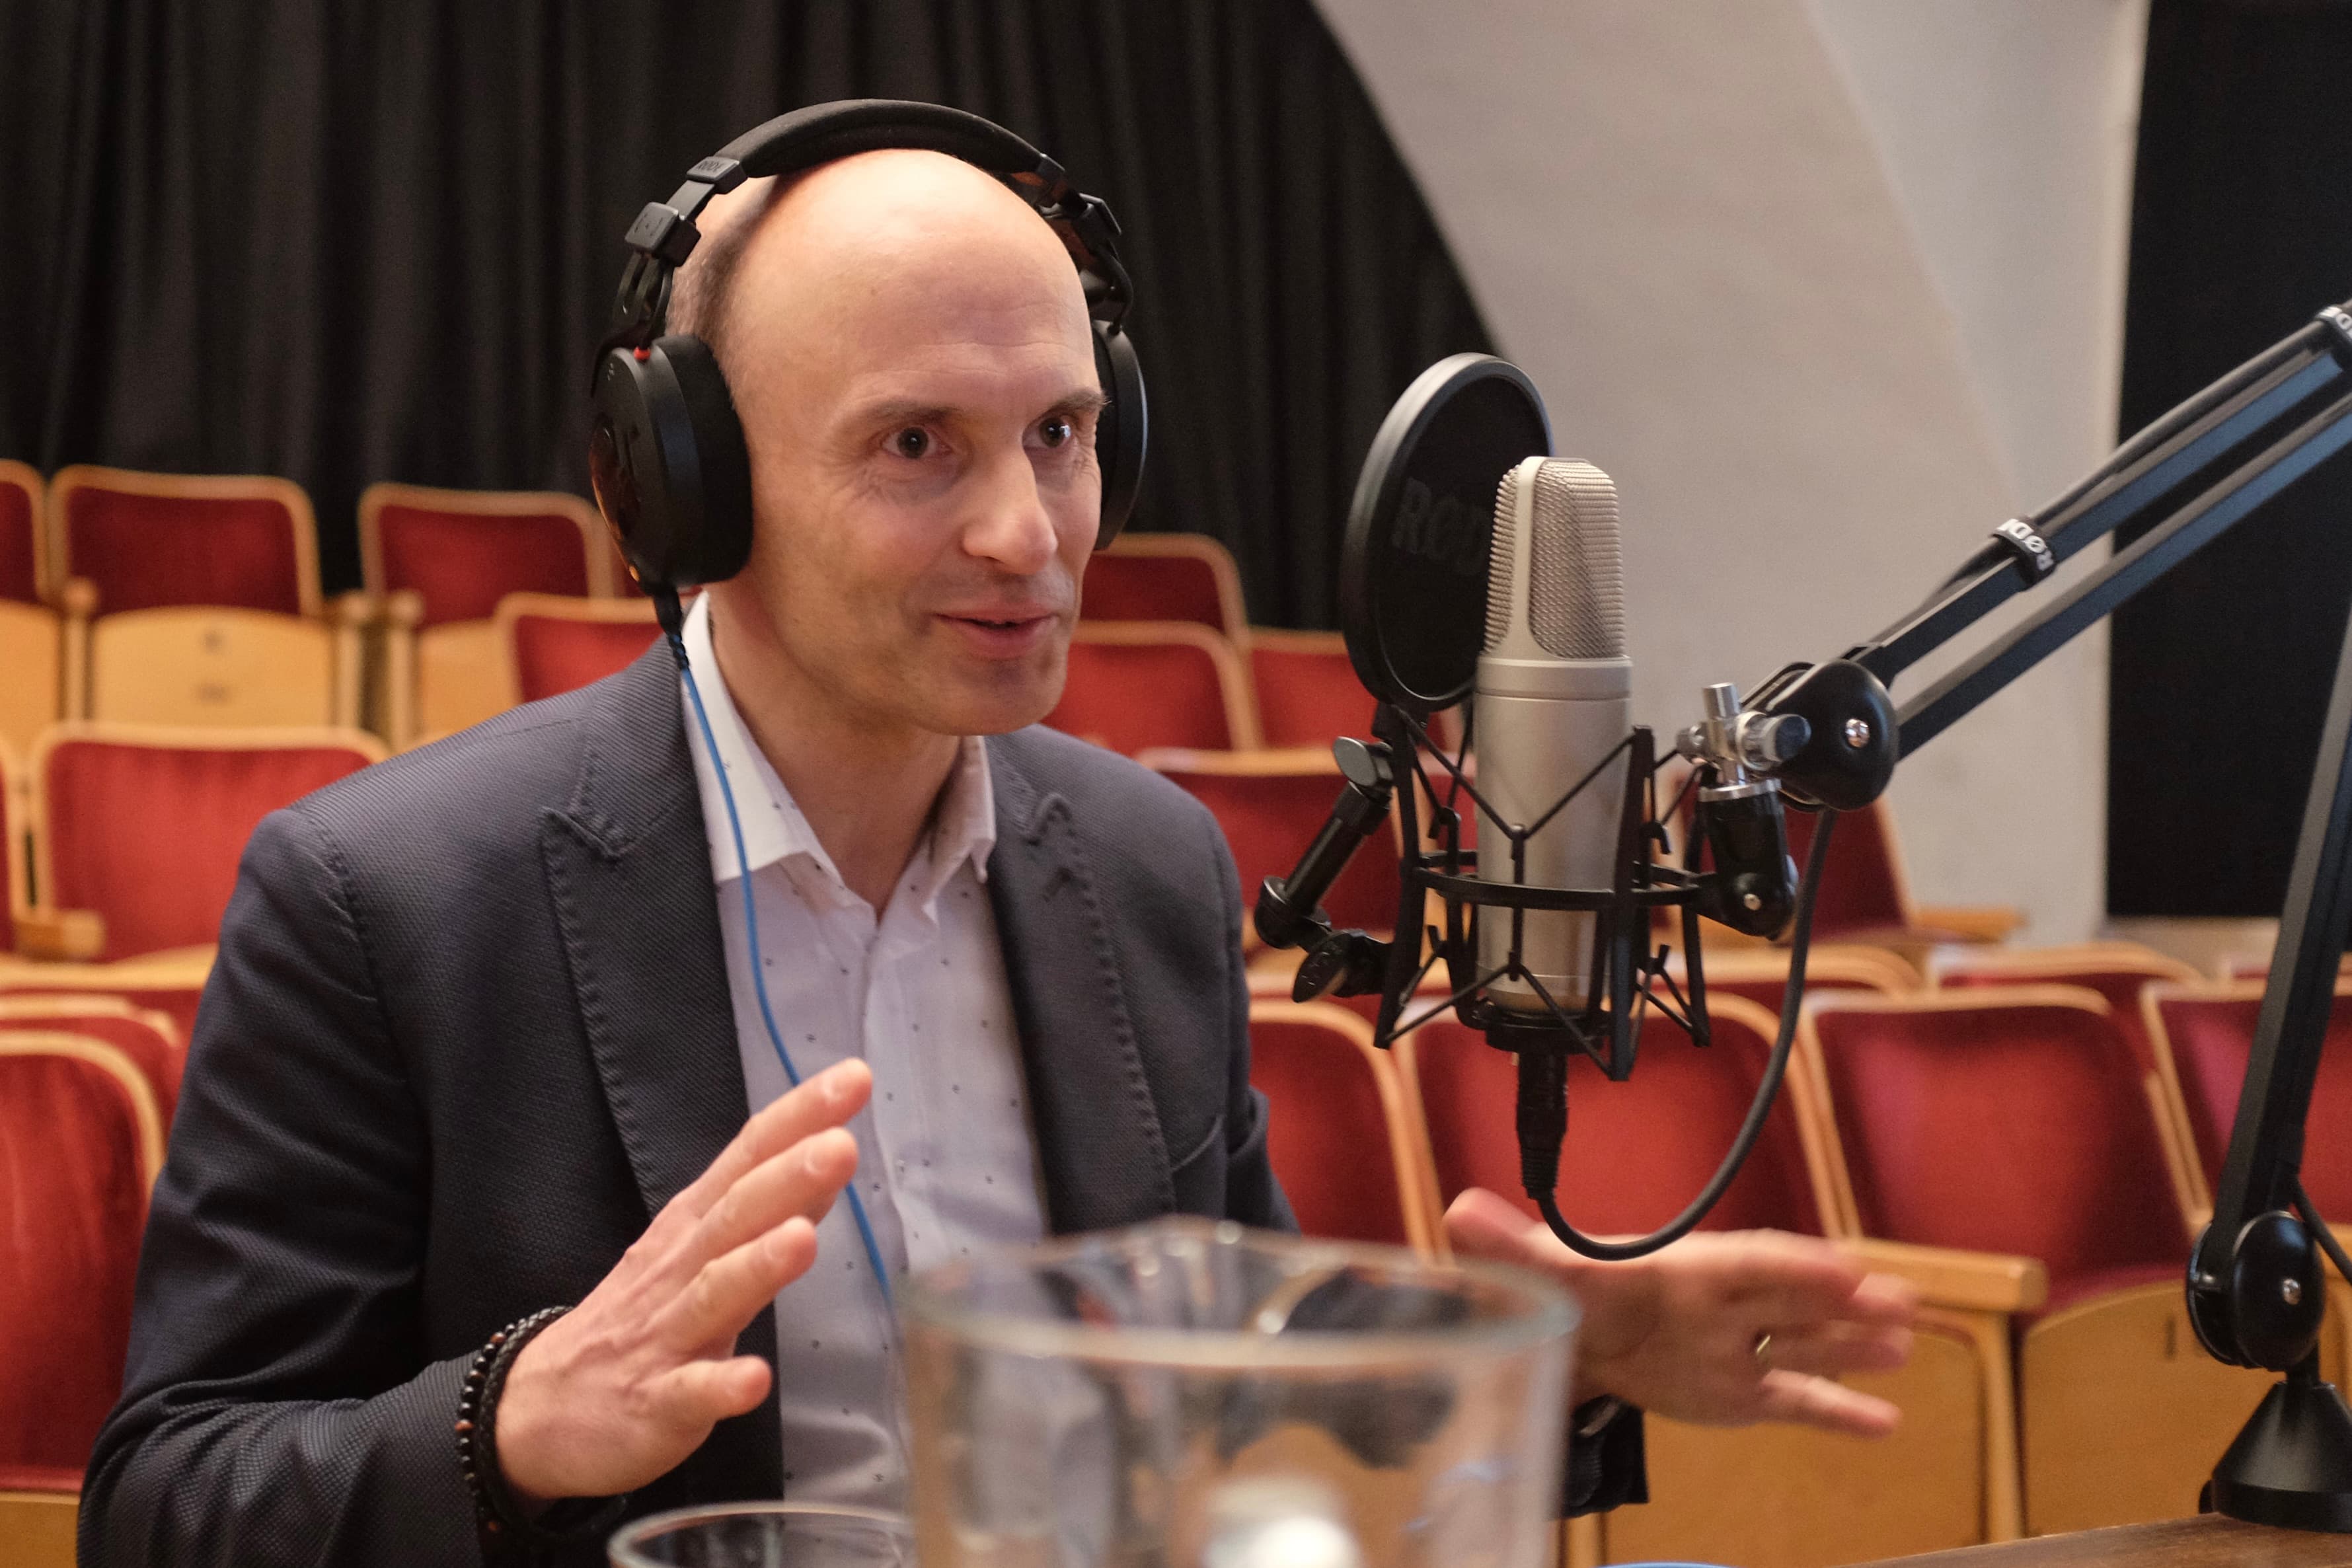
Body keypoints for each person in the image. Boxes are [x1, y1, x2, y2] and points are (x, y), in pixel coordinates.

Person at [83, 116, 1914, 1568]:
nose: (1028, 534)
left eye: (1059, 431)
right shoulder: (385, 900)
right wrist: (513, 1427)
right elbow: (167, 1502)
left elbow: (1221, 1413)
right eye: (916, 447)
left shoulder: (1146, 869)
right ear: (690, 481)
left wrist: (1523, 1375)